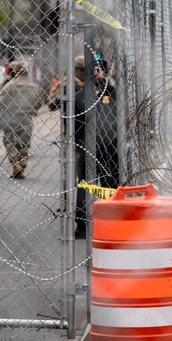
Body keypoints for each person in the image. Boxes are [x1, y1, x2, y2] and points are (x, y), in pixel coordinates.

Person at [73, 55, 118, 238]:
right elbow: (75, 123)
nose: (96, 73)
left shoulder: (113, 93)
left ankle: (111, 221)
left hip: (109, 146)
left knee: (110, 183)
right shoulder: (81, 95)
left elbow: (118, 119)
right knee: (85, 185)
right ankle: (82, 224)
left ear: (105, 72)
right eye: (93, 70)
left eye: (99, 69)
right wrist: (78, 144)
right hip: (88, 147)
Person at [0, 60, 44, 179]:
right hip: (27, 117)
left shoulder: (12, 85)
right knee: (24, 144)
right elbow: (40, 101)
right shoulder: (34, 85)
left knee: (10, 141)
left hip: (12, 117)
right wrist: (33, 109)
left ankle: (15, 161)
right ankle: (22, 166)